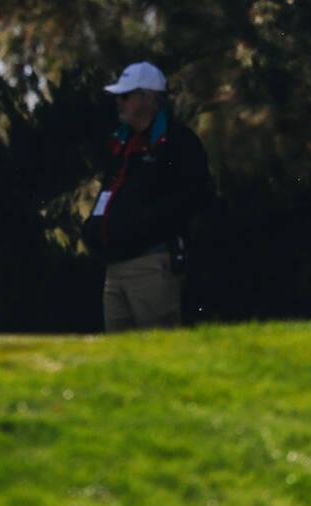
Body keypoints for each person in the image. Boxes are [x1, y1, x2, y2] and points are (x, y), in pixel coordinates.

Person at [82, 62, 213, 332]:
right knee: (121, 360)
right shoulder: (122, 142)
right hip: (115, 266)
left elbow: (198, 194)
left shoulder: (177, 141)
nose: (119, 102)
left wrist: (145, 223)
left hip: (152, 265)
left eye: (126, 95)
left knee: (159, 355)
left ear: (148, 97)